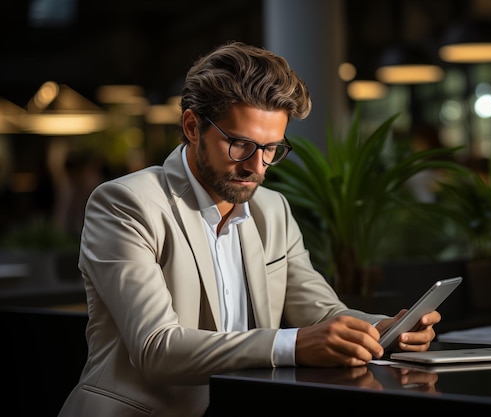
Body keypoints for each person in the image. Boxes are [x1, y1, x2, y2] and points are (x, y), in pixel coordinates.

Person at [58, 41, 441, 417]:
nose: (257, 166)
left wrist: (385, 330)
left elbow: (321, 313)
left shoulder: (272, 209)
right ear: (193, 127)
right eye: (241, 145)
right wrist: (291, 346)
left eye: (271, 148)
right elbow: (157, 348)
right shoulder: (126, 203)